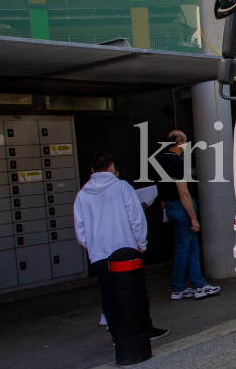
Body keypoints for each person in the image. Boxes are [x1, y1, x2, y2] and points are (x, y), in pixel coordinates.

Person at [74, 154, 168, 341]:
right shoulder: (122, 187)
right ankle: (144, 329)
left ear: (93, 171)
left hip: (99, 253)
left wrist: (92, 246)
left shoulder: (82, 195)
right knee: (137, 291)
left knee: (108, 295)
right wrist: (141, 243)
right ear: (111, 167)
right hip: (125, 250)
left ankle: (117, 335)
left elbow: (81, 229)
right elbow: (136, 218)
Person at [156, 130, 220, 300]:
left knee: (191, 248)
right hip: (182, 207)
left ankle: (198, 284)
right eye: (185, 142)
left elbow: (160, 190)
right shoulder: (177, 162)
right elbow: (183, 192)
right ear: (179, 144)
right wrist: (193, 217)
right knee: (183, 249)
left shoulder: (159, 161)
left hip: (170, 206)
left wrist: (165, 211)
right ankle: (179, 288)